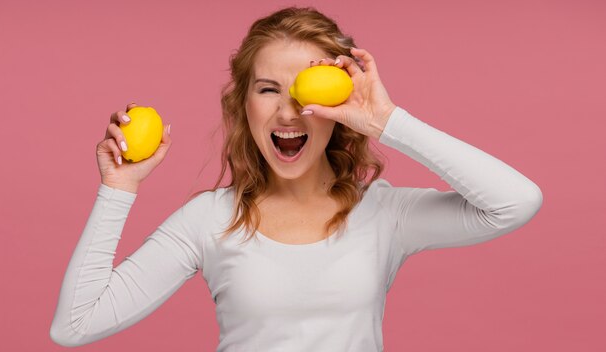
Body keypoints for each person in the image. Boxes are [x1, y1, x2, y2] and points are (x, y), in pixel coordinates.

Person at [50, 6, 543, 351]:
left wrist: (386, 120)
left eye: (306, 90)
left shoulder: (385, 214)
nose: (288, 111)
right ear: (244, 106)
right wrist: (118, 189)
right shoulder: (208, 219)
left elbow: (516, 202)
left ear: (337, 107)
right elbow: (75, 325)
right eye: (268, 89)